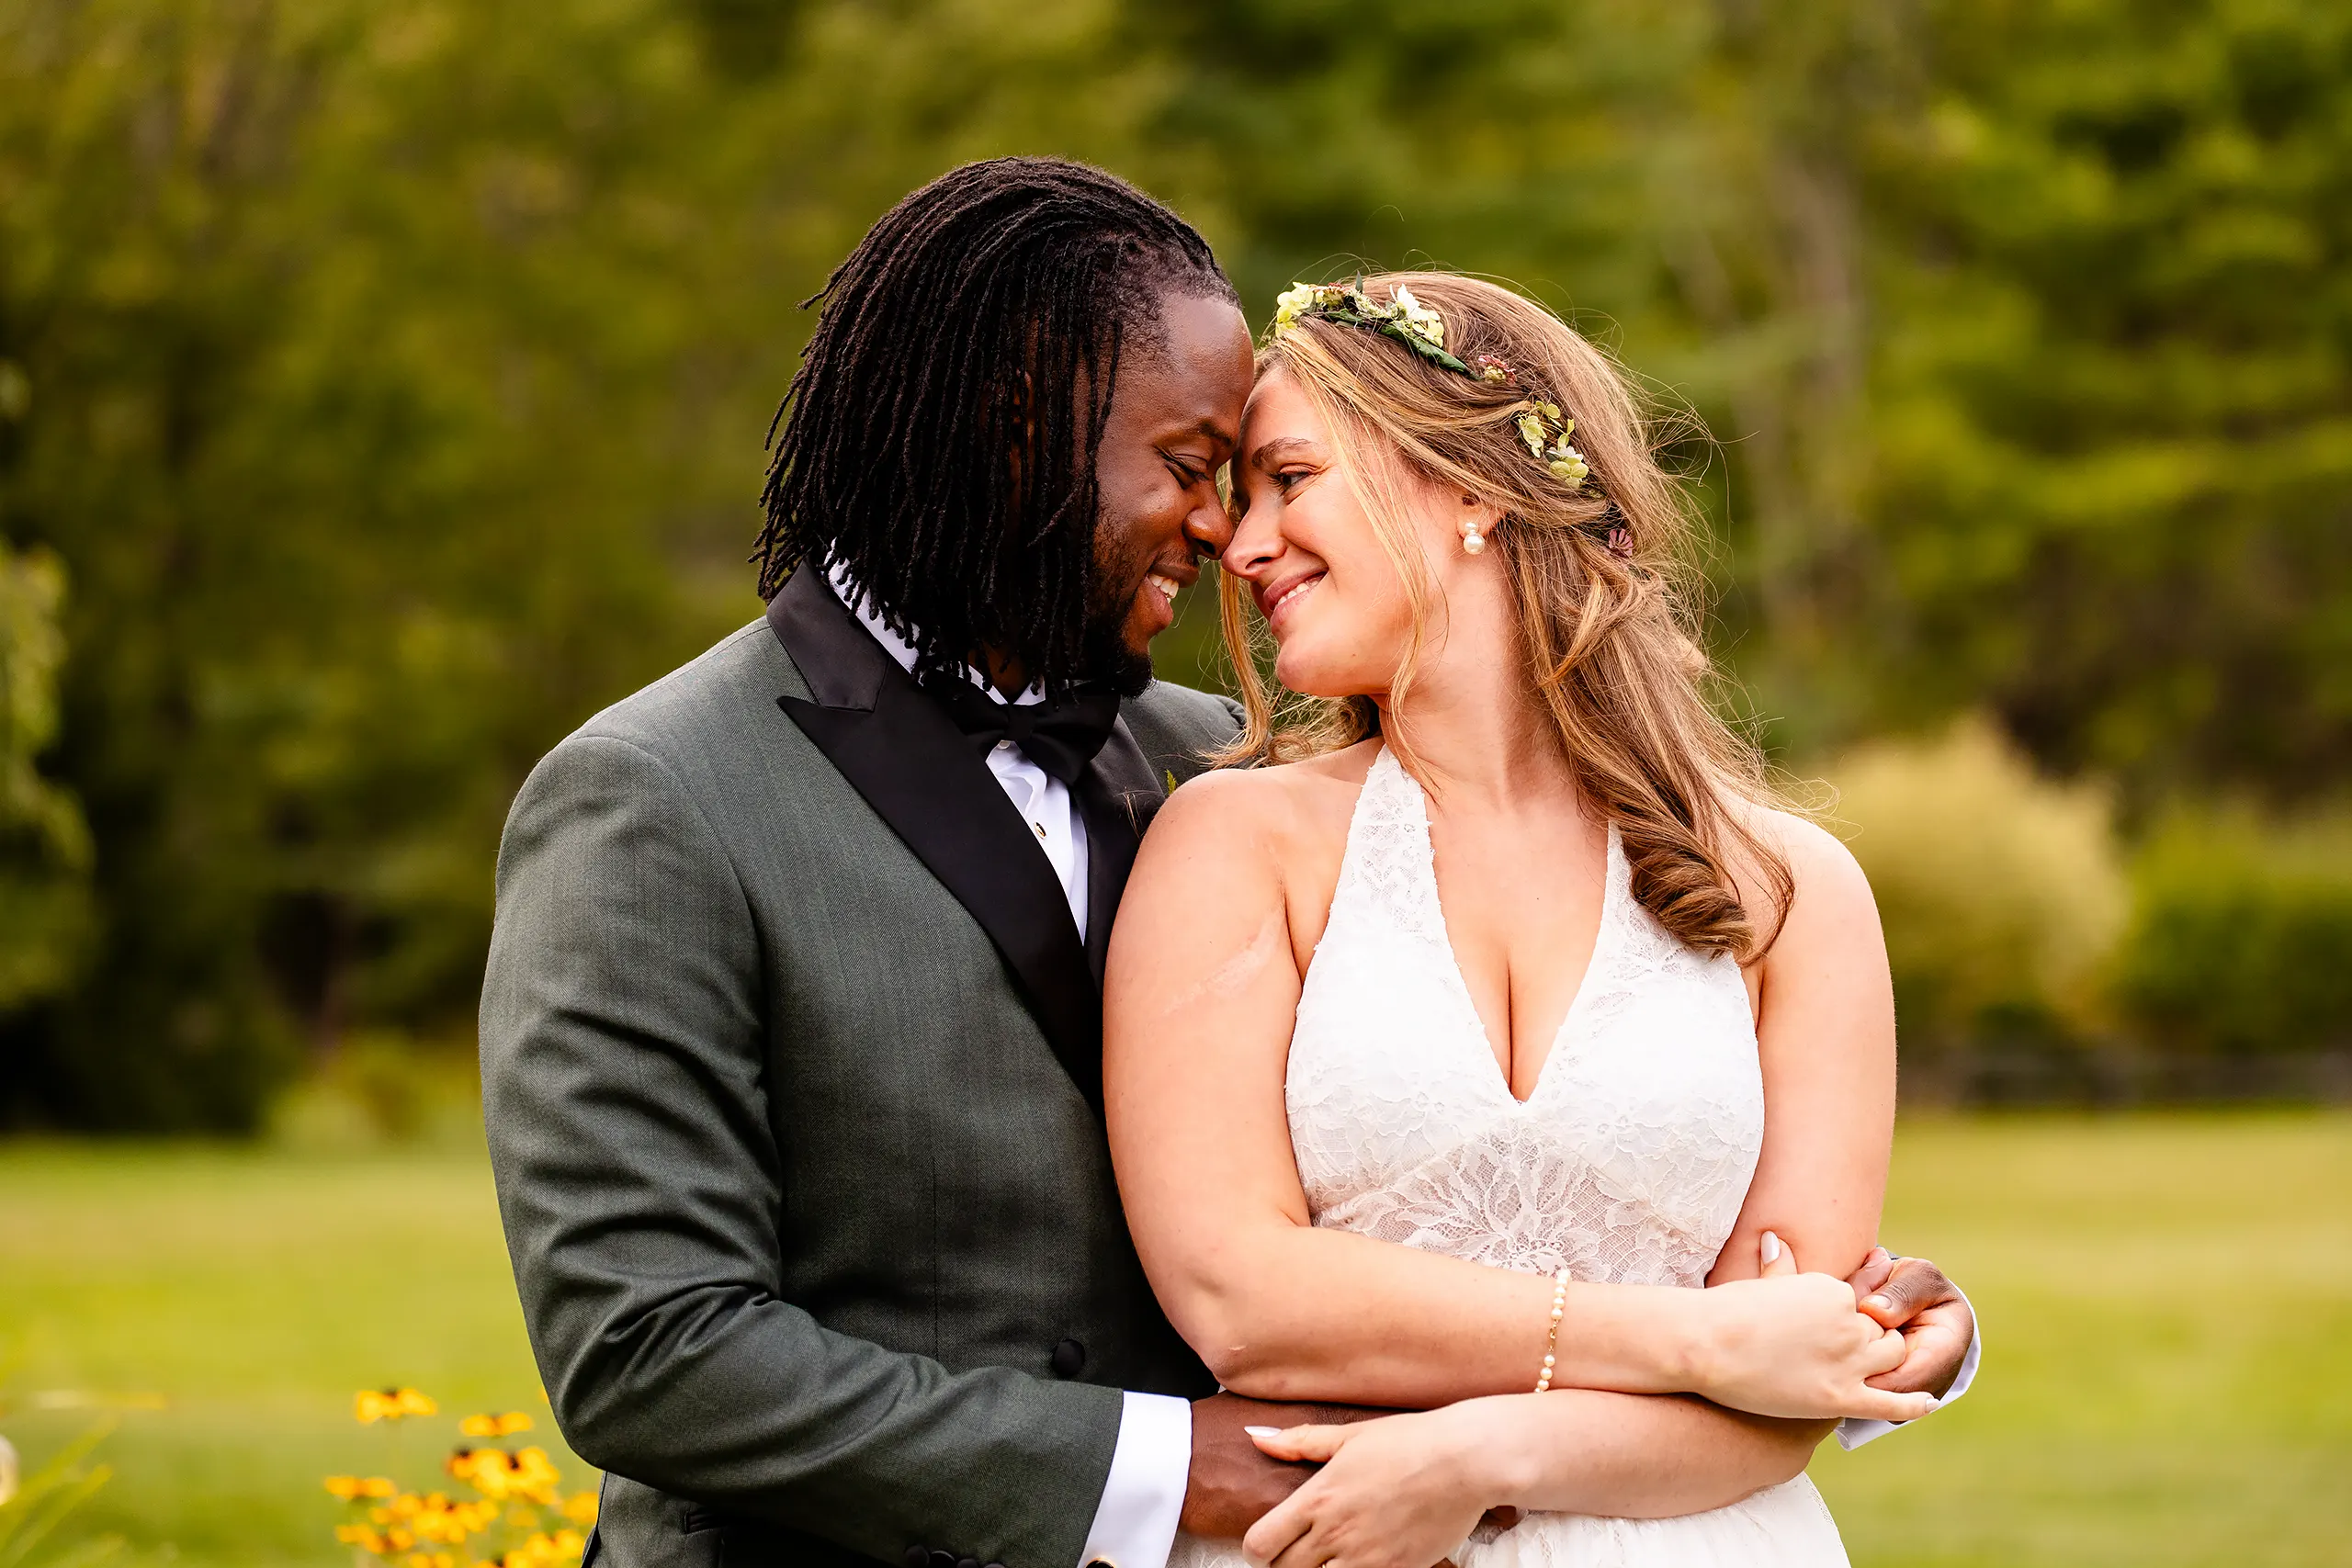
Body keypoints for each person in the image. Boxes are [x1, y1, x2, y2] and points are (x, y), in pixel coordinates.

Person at [481, 160, 1975, 1568]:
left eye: (1265, 477)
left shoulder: (1201, 755)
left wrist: (1857, 1321)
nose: (1225, 533)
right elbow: (647, 1348)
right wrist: (1163, 1468)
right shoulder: (657, 796)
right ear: (1025, 422)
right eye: (1197, 467)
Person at [1103, 274, 1979, 1568]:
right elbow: (1242, 1296)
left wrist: (1475, 1456)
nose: (1242, 544)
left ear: (1473, 490)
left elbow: (1790, 1393)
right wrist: (1698, 1341)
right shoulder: (1234, 845)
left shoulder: (1792, 892)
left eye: (1290, 479)